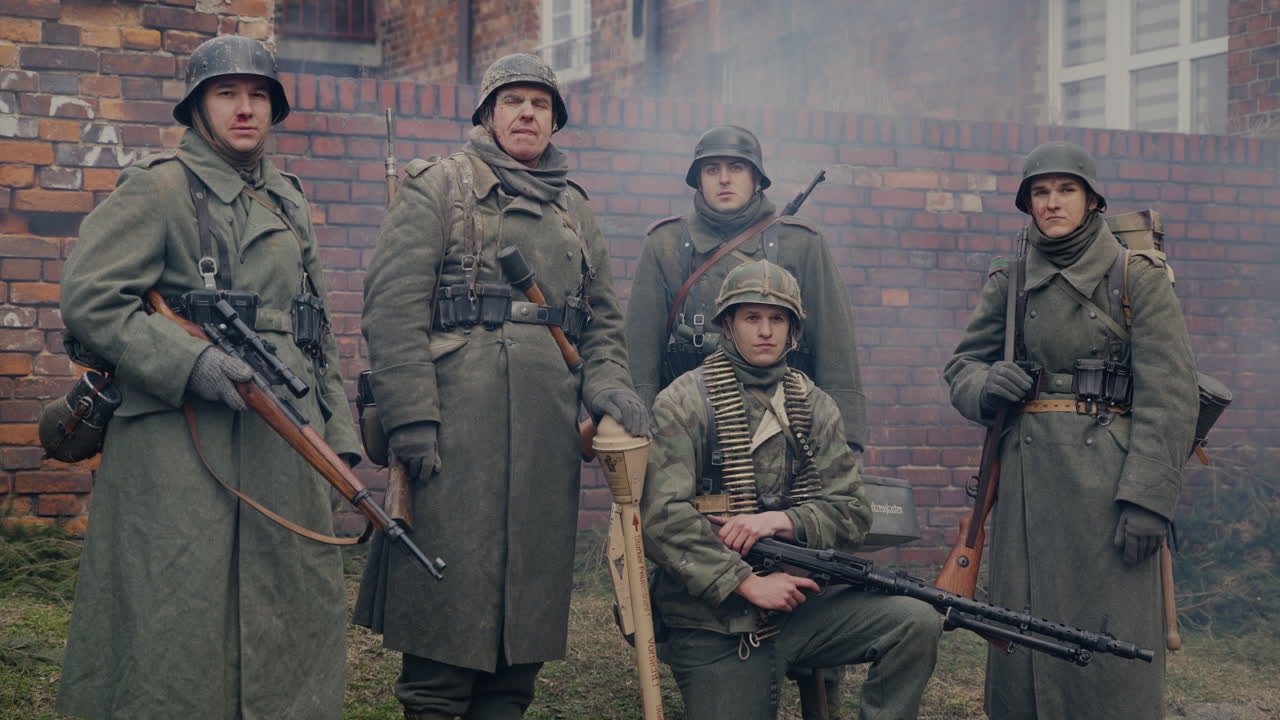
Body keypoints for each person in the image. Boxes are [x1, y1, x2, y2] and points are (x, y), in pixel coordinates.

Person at [55, 35, 361, 720]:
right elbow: (91, 298)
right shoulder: (158, 188)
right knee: (175, 608)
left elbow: (314, 325)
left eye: (258, 95)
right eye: (227, 94)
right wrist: (188, 360)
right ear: (198, 107)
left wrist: (336, 435)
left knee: (288, 596)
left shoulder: (288, 198)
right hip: (176, 444)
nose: (245, 108)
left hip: (281, 435)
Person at [352, 53, 649, 720]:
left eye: (540, 104)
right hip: (455, 435)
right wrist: (411, 418)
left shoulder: (574, 209)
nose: (526, 114)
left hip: (545, 438)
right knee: (443, 618)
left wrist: (609, 387)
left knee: (522, 639)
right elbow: (392, 309)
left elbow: (601, 321)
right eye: (513, 101)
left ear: (554, 121)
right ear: (488, 113)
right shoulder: (440, 187)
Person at [944, 142, 1198, 719]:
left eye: (1066, 190)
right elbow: (961, 367)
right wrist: (987, 383)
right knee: (1023, 633)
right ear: (1027, 203)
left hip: (1111, 486)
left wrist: (1149, 499)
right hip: (1027, 483)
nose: (1052, 202)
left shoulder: (1136, 276)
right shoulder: (1010, 279)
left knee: (1112, 646)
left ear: (1092, 201)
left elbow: (1170, 395)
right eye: (1040, 192)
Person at [641, 260, 940, 720]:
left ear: (793, 330)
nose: (765, 331)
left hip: (800, 605)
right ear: (728, 325)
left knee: (915, 621)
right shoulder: (685, 402)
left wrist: (784, 520)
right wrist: (746, 582)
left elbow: (853, 512)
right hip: (712, 620)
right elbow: (663, 519)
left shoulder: (814, 405)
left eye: (777, 319)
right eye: (752, 317)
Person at [625, 124, 865, 453]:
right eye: (712, 170)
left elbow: (835, 349)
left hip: (786, 429)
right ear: (699, 180)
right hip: (689, 431)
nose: (724, 179)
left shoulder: (801, 244)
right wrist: (636, 437)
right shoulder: (666, 244)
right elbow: (640, 355)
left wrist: (847, 441)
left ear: (756, 178)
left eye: (736, 168)